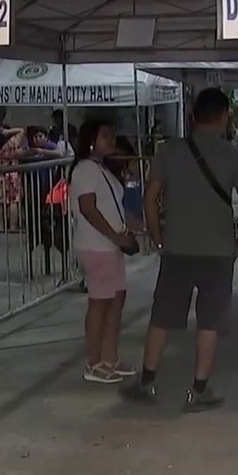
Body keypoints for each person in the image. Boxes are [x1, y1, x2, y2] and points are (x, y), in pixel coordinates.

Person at [120, 88, 238, 411]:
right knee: (209, 321)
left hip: (177, 249)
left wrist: (158, 236)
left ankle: (147, 382)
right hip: (218, 251)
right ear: (224, 117)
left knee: (163, 316)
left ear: (193, 115)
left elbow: (150, 198)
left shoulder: (169, 152)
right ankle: (199, 389)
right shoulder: (235, 156)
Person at [67, 120, 141, 384]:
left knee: (115, 298)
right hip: (97, 245)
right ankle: (95, 362)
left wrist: (139, 227)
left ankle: (109, 358)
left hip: (108, 245)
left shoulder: (100, 169)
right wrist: (116, 236)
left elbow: (115, 208)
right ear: (90, 141)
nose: (111, 140)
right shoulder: (86, 169)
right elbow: (88, 208)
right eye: (105, 136)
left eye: (112, 135)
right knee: (101, 302)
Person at [0, 127, 26, 231]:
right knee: (13, 202)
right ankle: (12, 227)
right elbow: (21, 130)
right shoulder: (12, 143)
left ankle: (0, 227)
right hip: (11, 174)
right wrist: (7, 132)